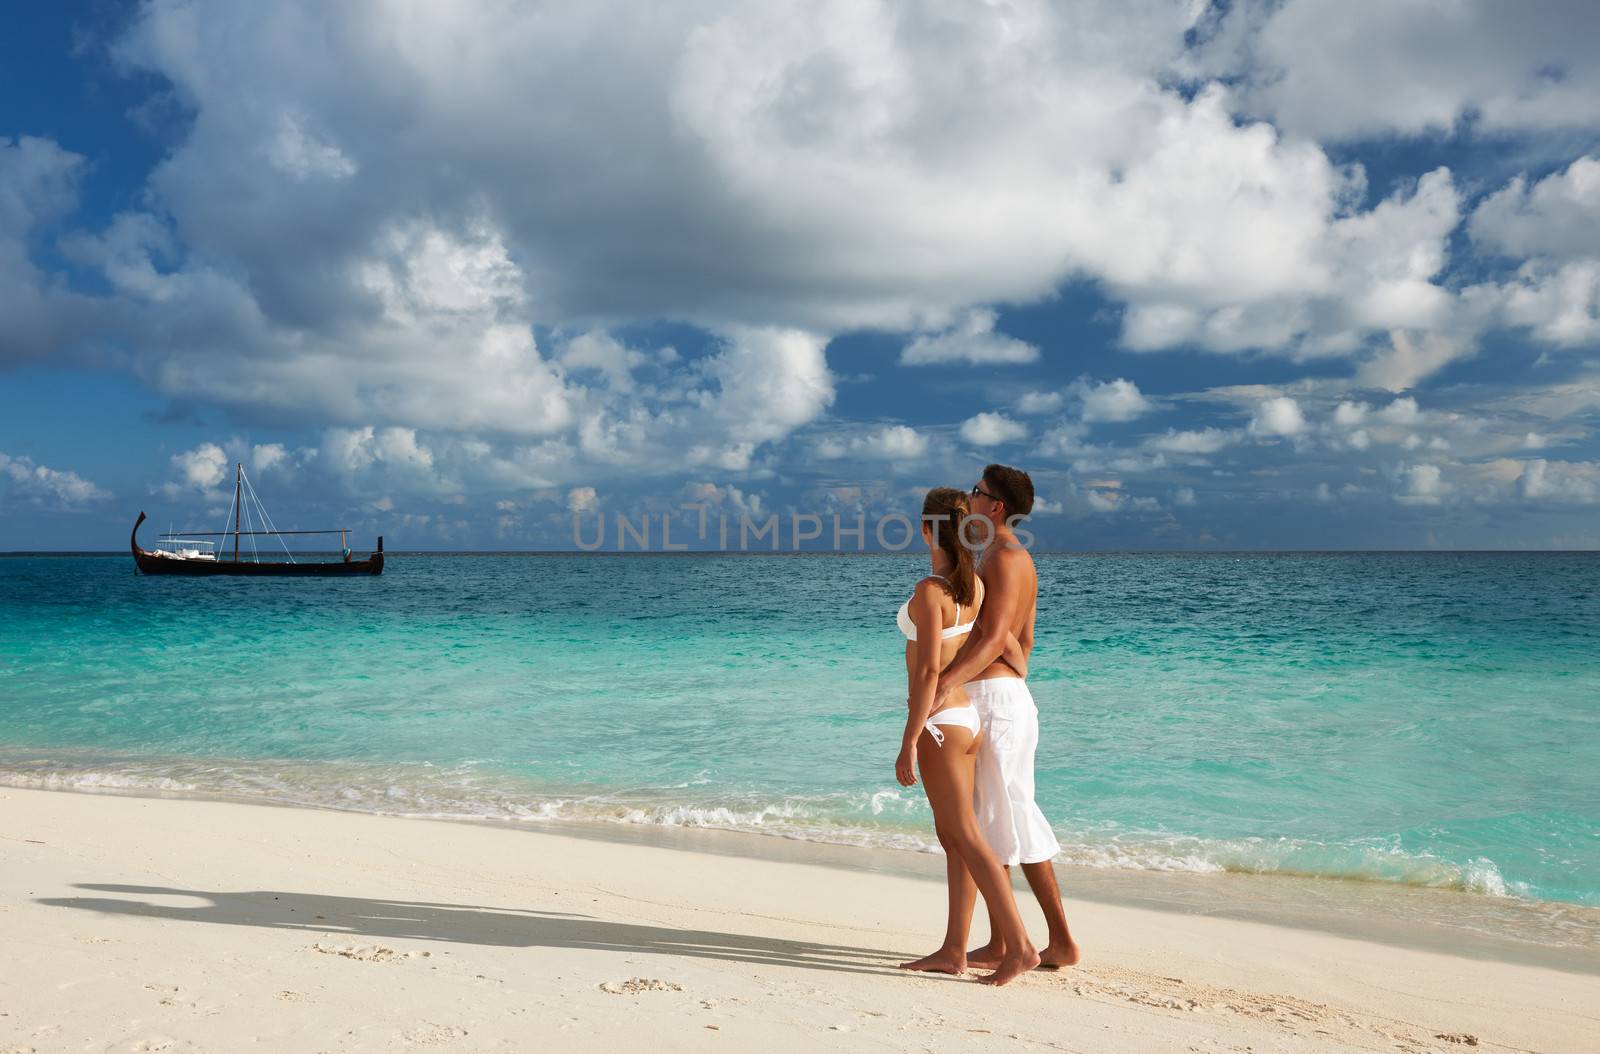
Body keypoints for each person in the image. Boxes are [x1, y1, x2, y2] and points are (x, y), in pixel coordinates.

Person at [932, 464, 1080, 971]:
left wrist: (946, 683)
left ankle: (1053, 941)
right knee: (1000, 817)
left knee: (1009, 816)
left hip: (998, 701)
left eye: (977, 492)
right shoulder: (998, 556)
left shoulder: (1006, 558)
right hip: (999, 694)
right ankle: (1005, 942)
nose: (969, 497)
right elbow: (1017, 641)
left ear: (996, 507)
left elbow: (997, 638)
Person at [894, 487, 1040, 986]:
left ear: (924, 528)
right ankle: (954, 948)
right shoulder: (972, 588)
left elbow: (929, 670)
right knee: (955, 838)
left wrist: (910, 737)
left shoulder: (929, 590)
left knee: (967, 837)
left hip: (941, 724)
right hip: (970, 720)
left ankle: (1019, 946)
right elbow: (1005, 644)